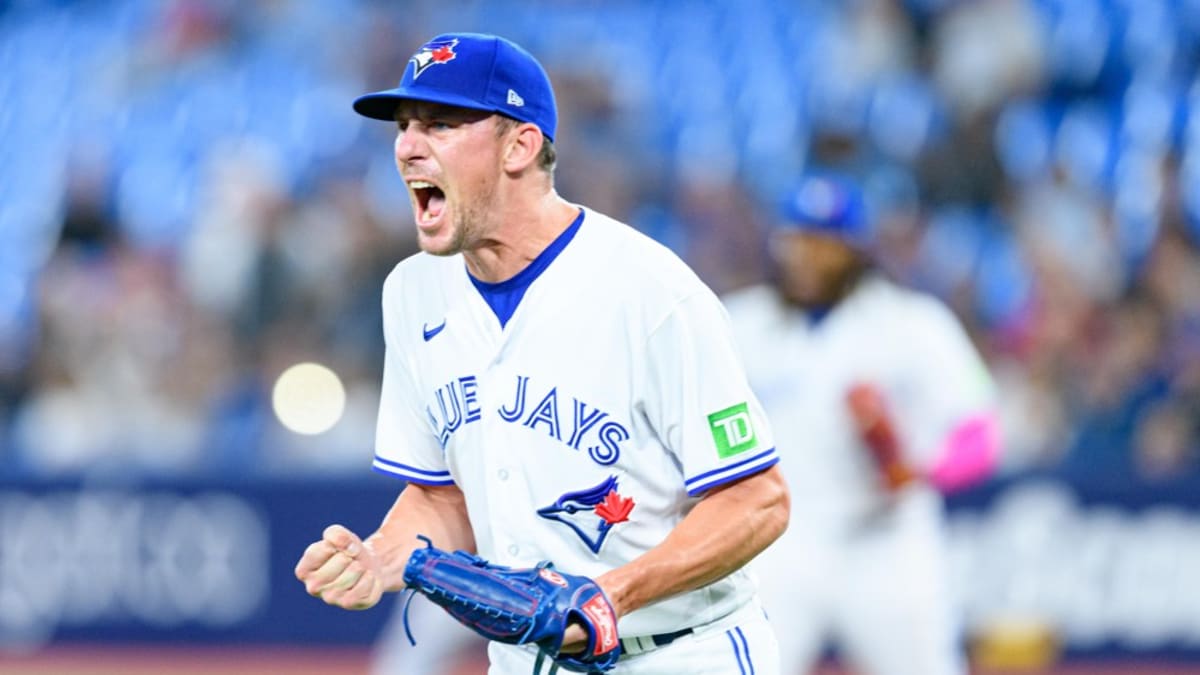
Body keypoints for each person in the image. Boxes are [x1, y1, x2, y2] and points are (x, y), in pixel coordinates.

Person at [293, 32, 790, 675]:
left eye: (440, 124)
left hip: (682, 652)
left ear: (521, 146)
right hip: (528, 661)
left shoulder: (650, 292)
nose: (408, 146)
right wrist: (383, 556)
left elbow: (758, 499)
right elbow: (445, 496)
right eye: (405, 126)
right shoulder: (412, 293)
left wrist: (614, 596)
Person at [724, 174, 1000, 675]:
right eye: (797, 240)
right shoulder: (738, 323)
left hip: (887, 541)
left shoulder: (913, 324)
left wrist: (921, 469)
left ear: (856, 250)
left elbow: (980, 435)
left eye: (825, 243)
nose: (807, 256)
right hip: (781, 540)